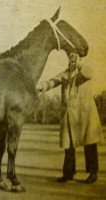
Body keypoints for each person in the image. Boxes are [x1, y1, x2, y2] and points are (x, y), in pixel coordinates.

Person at [36, 52, 103, 183]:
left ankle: (93, 173)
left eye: (74, 57)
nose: (71, 60)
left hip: (85, 114)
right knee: (69, 146)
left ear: (79, 58)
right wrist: (37, 86)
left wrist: (78, 64)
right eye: (70, 57)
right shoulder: (65, 73)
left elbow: (89, 74)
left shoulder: (84, 69)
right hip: (69, 114)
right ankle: (68, 173)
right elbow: (52, 82)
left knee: (89, 144)